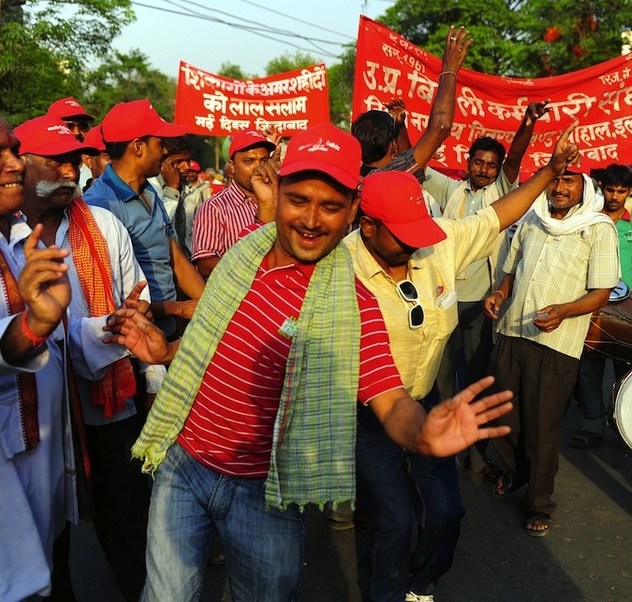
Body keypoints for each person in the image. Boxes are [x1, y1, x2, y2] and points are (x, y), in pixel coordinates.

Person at [103, 122, 514, 602]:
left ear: (353, 212)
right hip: (185, 466)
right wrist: (168, 351)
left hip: (265, 495)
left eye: (331, 206)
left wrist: (421, 432)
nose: (312, 220)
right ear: (278, 193)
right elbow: (219, 339)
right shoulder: (241, 258)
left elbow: (387, 393)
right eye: (300, 200)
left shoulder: (353, 303)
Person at [345, 122, 580, 601]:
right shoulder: (339, 266)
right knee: (393, 520)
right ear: (367, 225)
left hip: (428, 401)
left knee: (448, 513)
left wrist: (549, 170)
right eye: (401, 234)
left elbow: (498, 214)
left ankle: (423, 584)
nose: (415, 242)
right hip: (368, 416)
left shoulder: (435, 241)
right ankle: (385, 595)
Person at [16, 115, 152, 601]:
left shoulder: (104, 225)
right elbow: (24, 335)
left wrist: (129, 318)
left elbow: (136, 297)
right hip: (40, 417)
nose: (68, 170)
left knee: (128, 524)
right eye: (53, 159)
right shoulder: (11, 240)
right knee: (48, 541)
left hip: (108, 405)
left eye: (73, 159)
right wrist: (101, 328)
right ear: (20, 165)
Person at [484, 161, 621, 537]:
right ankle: (515, 474)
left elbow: (602, 291)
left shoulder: (598, 228)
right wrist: (499, 293)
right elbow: (510, 271)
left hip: (557, 342)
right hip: (513, 330)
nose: (559, 187)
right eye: (555, 179)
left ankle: (539, 502)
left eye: (568, 180)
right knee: (502, 416)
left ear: (584, 185)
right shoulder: (531, 218)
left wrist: (564, 312)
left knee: (543, 427)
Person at [423, 100, 549, 478]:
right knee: (441, 377)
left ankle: (477, 454)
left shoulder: (502, 193)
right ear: (468, 162)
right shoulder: (450, 190)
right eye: (478, 162)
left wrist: (527, 122)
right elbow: (419, 160)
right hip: (444, 298)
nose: (484, 169)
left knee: (477, 379)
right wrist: (399, 124)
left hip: (482, 303)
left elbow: (516, 157)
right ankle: (443, 446)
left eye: (490, 165)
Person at [0, 116, 73, 601]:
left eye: (14, 150)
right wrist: (32, 326)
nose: (15, 163)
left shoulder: (15, 238)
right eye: (1, 154)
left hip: (36, 444)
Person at [84, 99, 204, 337]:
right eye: (160, 144)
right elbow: (116, 295)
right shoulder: (101, 206)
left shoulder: (149, 190)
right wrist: (179, 309)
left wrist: (211, 304)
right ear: (138, 146)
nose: (166, 151)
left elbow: (175, 259)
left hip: (167, 331)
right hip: (137, 346)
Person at [569, 163, 632, 450]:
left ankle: (625, 430)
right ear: (601, 188)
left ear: (629, 191)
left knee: (626, 374)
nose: (615, 196)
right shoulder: (587, 220)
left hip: (627, 309)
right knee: (589, 371)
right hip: (592, 303)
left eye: (621, 190)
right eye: (610, 189)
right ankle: (592, 426)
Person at [352, 26, 471, 182]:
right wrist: (450, 69)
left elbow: (407, 160)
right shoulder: (388, 178)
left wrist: (400, 126)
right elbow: (440, 126)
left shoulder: (353, 180)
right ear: (393, 147)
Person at [189, 129, 276, 276]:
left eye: (264, 161)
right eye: (249, 161)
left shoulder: (282, 200)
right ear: (232, 166)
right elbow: (205, 264)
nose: (258, 167)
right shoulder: (215, 207)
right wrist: (254, 268)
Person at [175, 160, 213, 259]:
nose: (190, 172)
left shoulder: (199, 190)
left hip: (190, 249)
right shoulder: (157, 189)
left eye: (194, 171)